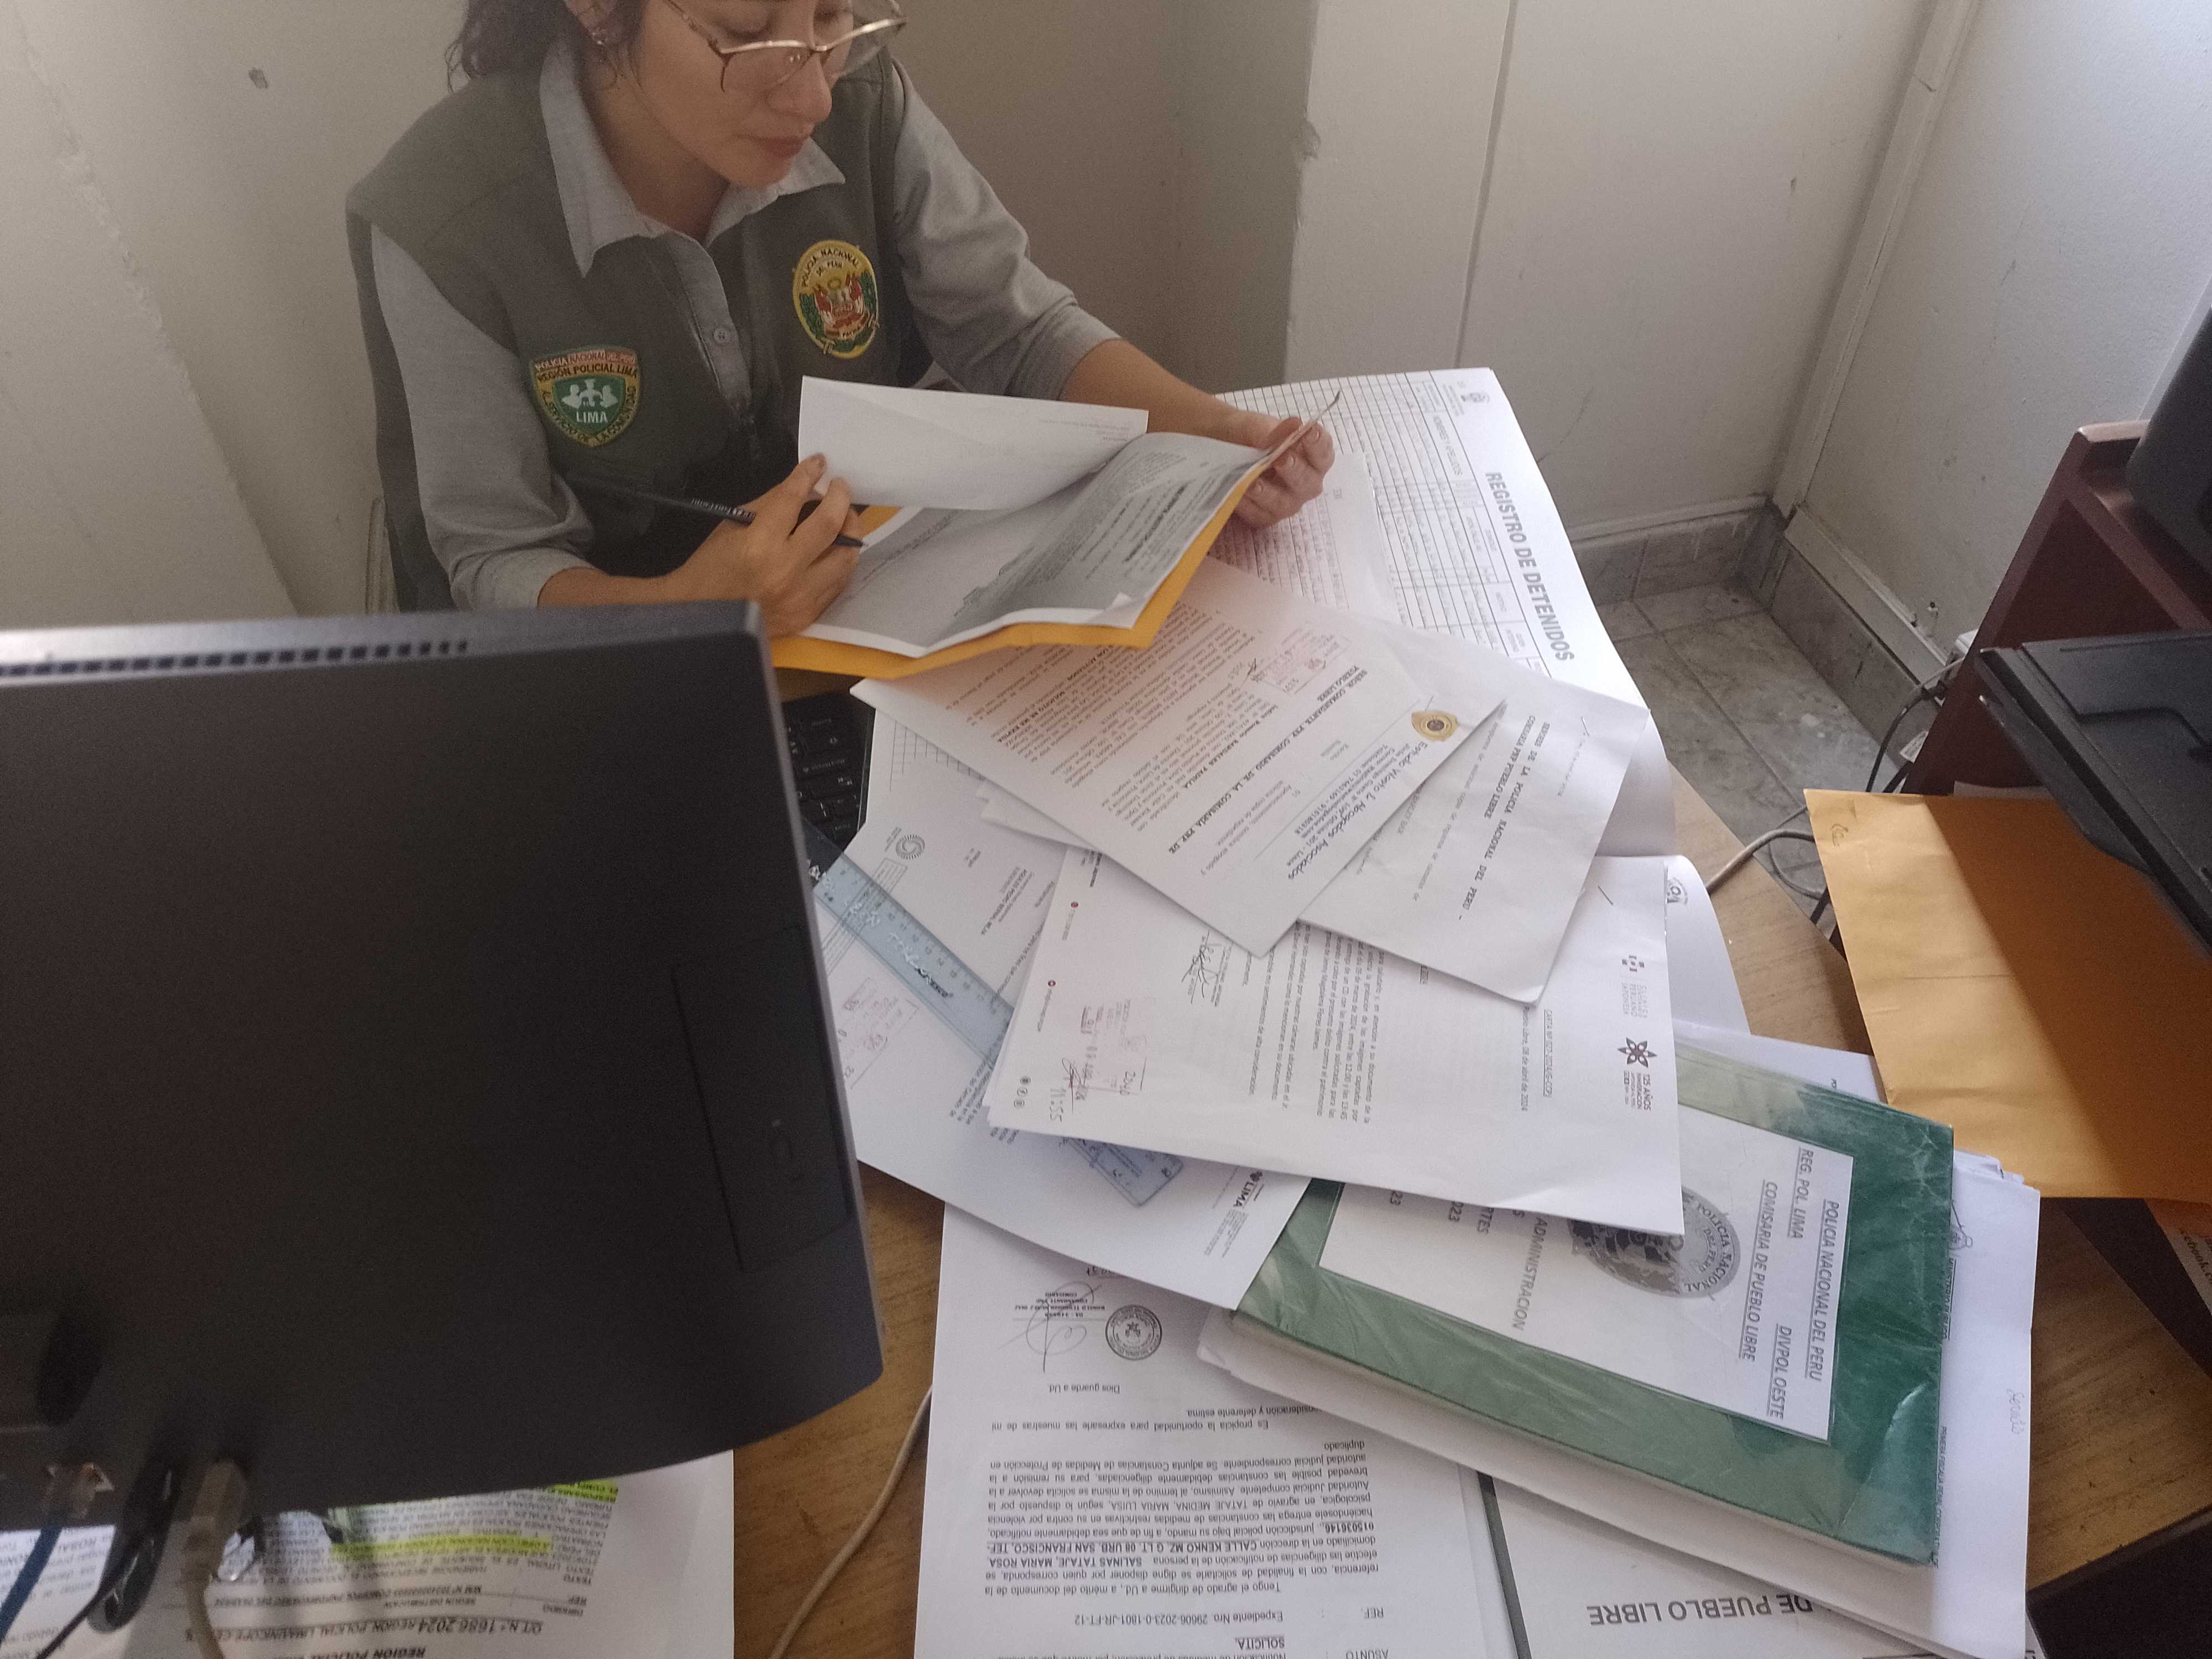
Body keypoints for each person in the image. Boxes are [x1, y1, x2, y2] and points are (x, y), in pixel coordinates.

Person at [349, 0, 1335, 621]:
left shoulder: (865, 99)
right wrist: (690, 611)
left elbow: (1018, 328)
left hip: (869, 610)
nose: (815, 95)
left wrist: (1218, 433)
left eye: (830, 17)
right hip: (632, 663)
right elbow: (494, 558)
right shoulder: (446, 220)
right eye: (749, 36)